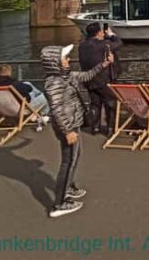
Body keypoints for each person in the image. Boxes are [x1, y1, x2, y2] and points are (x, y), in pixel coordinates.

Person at [41, 43, 113, 218]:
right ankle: (59, 203)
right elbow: (56, 109)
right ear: (55, 62)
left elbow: (86, 75)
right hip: (68, 127)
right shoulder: (54, 83)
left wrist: (103, 65)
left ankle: (69, 188)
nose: (68, 60)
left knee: (75, 157)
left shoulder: (67, 76)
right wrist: (67, 131)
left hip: (73, 122)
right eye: (64, 58)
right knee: (68, 162)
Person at [78, 22, 123, 135]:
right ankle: (110, 129)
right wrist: (112, 35)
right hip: (103, 79)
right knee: (111, 103)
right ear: (98, 32)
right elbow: (119, 43)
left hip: (89, 79)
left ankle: (95, 127)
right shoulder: (103, 44)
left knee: (95, 103)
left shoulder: (81, 46)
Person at [0, 64, 49, 129]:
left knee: (28, 84)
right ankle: (41, 115)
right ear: (8, 72)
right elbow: (29, 89)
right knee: (45, 97)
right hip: (19, 109)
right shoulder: (10, 83)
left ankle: (35, 111)